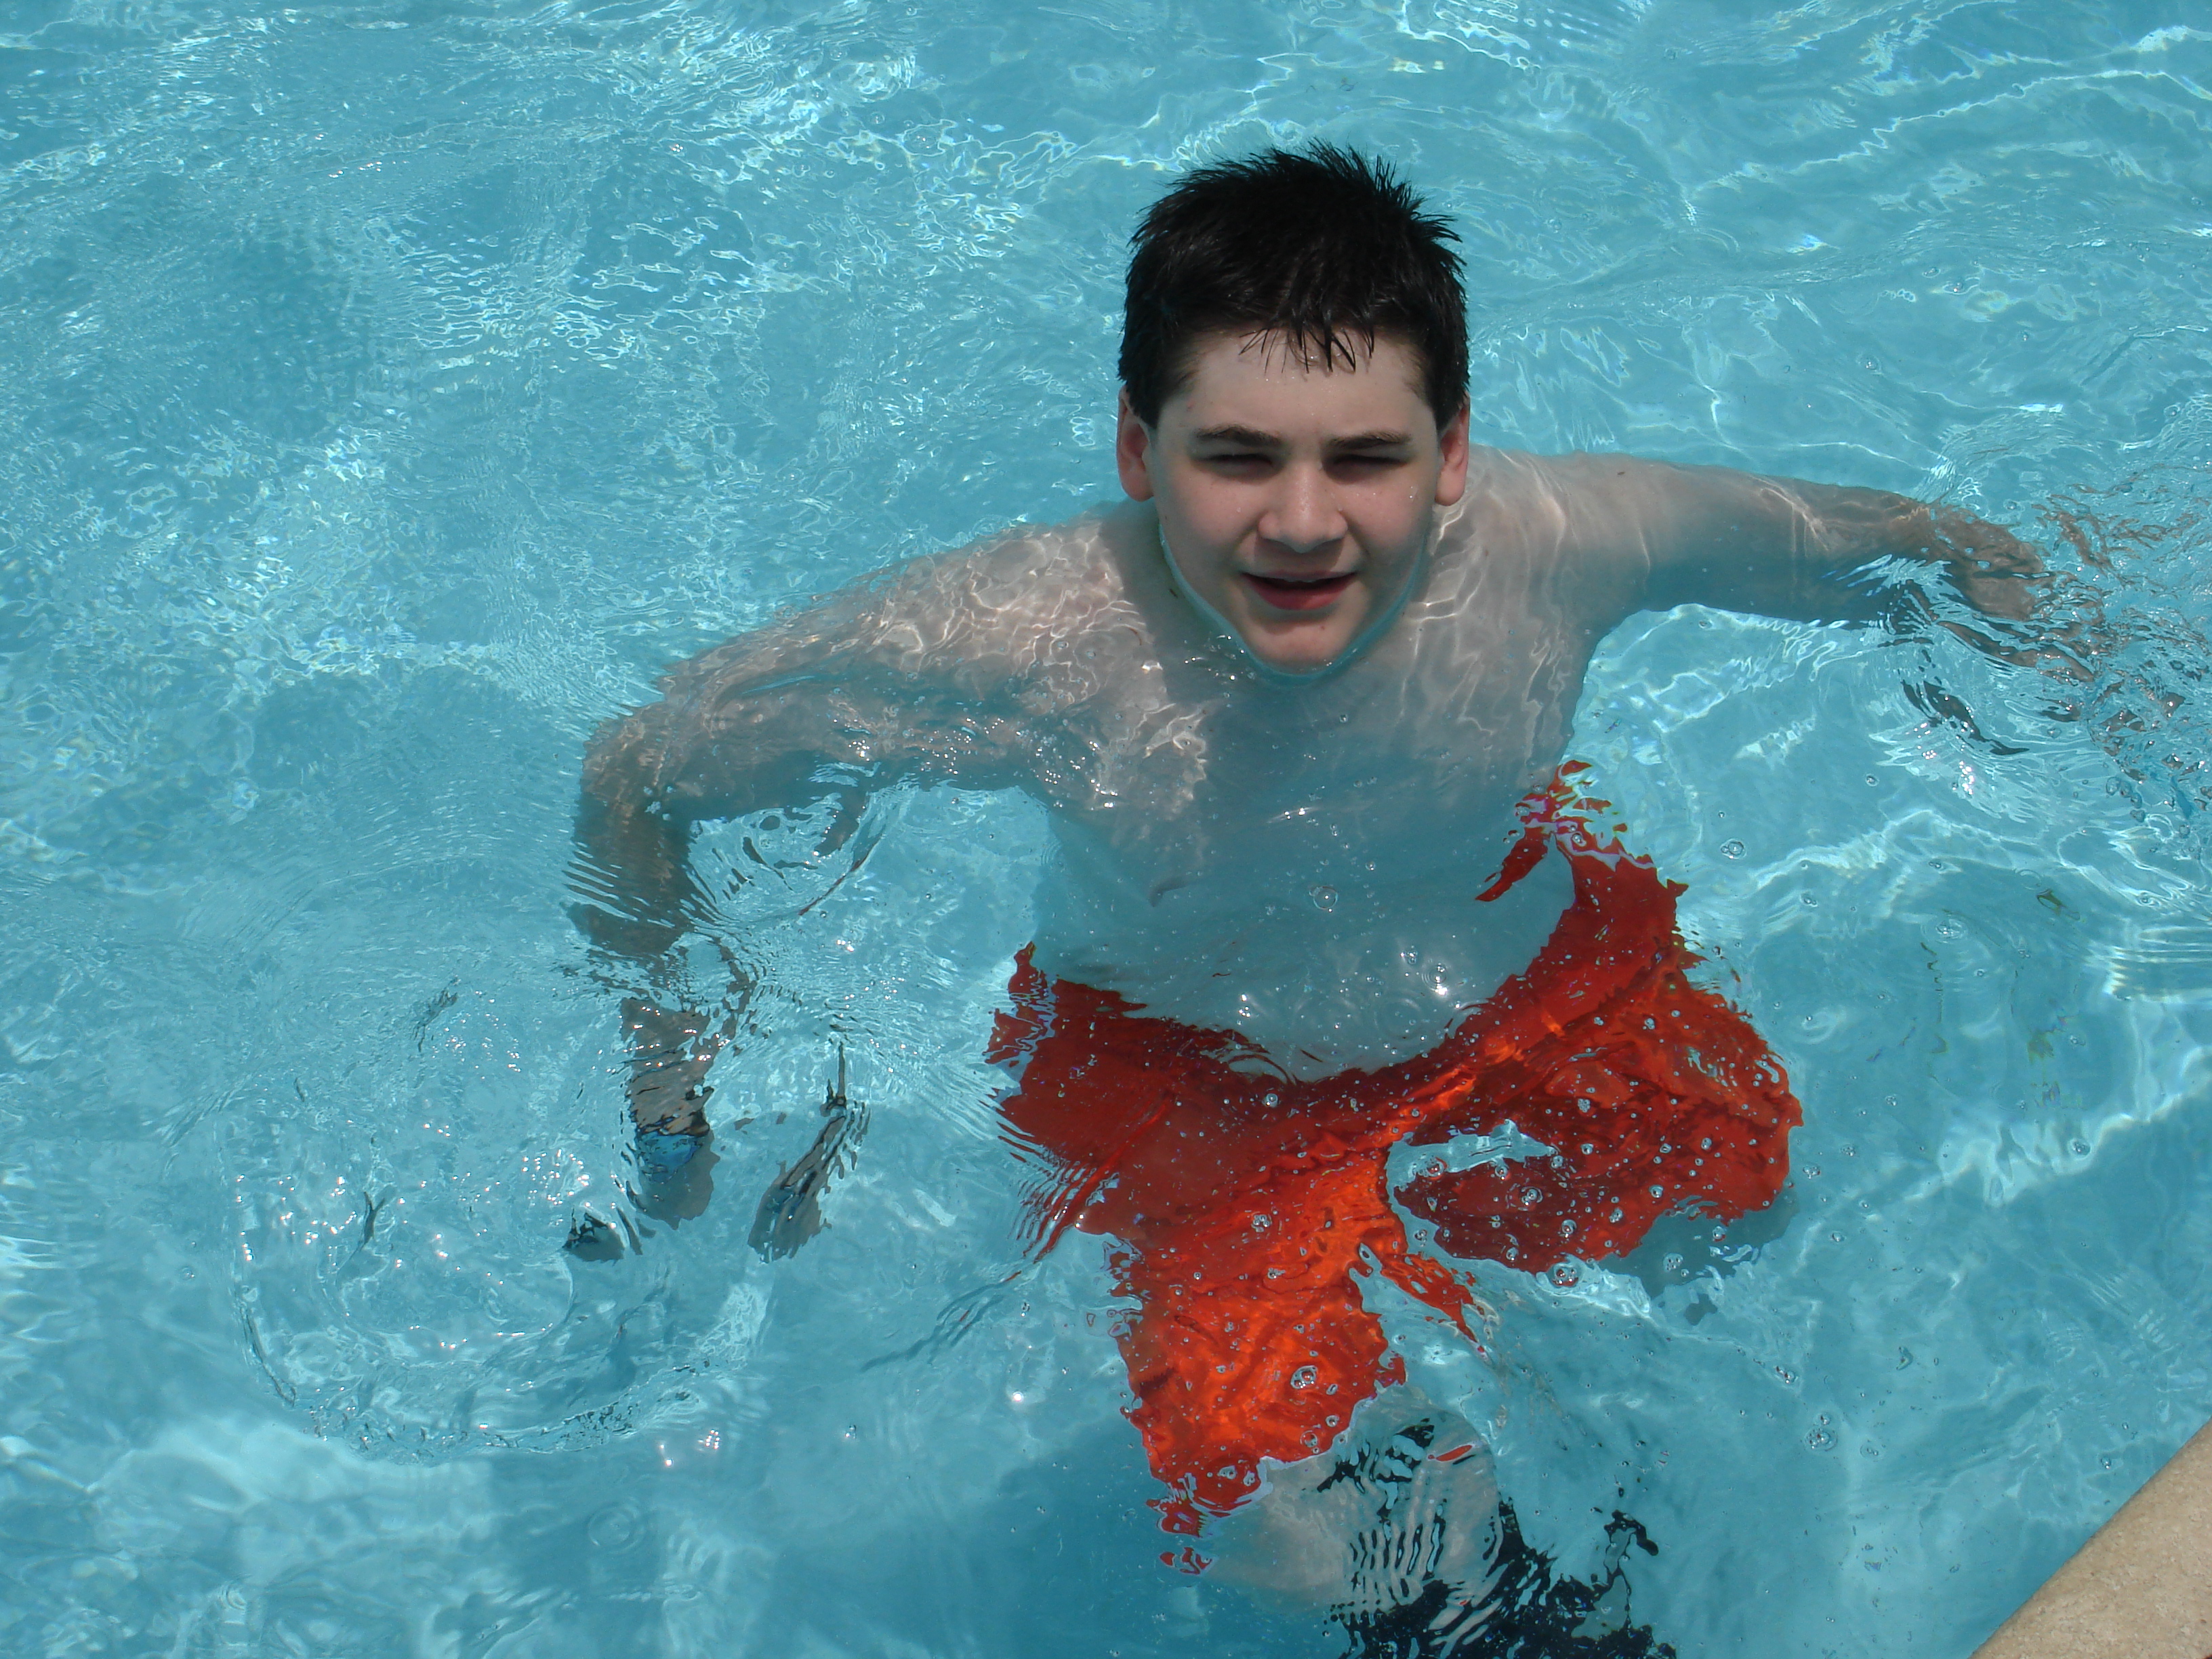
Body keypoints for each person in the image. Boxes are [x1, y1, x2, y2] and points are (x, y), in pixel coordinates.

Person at [569, 146, 2036, 1585]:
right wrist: (668, 1070)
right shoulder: (1032, 645)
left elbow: (1893, 548)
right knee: (1282, 1521)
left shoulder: (1567, 543)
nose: (1303, 522)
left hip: (1531, 977)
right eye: (1237, 456)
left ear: (1452, 451)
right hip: (1188, 1075)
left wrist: (2025, 624)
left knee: (1742, 1199)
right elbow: (639, 769)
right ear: (1139, 450)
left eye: (1366, 458)